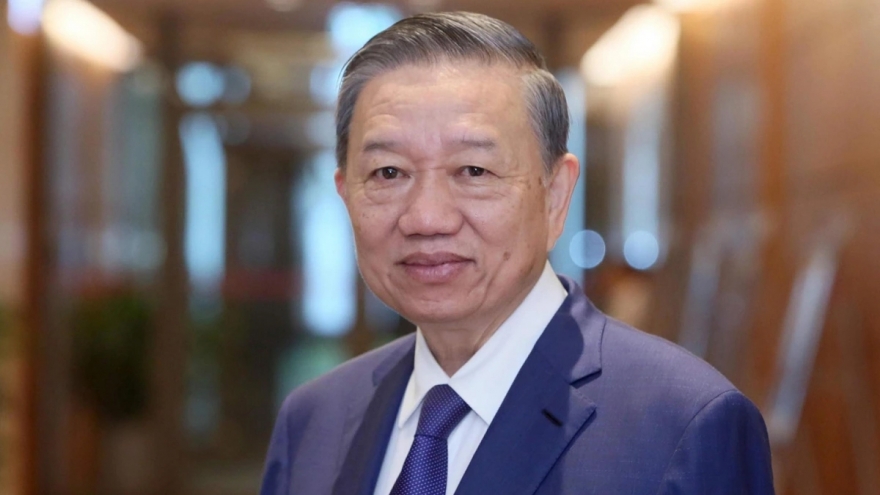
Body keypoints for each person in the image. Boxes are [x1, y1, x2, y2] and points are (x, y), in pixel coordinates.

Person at [260, 11, 774, 495]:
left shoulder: (682, 426)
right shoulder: (313, 421)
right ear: (346, 193)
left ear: (555, 196)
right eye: (388, 172)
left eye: (474, 171)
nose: (426, 218)